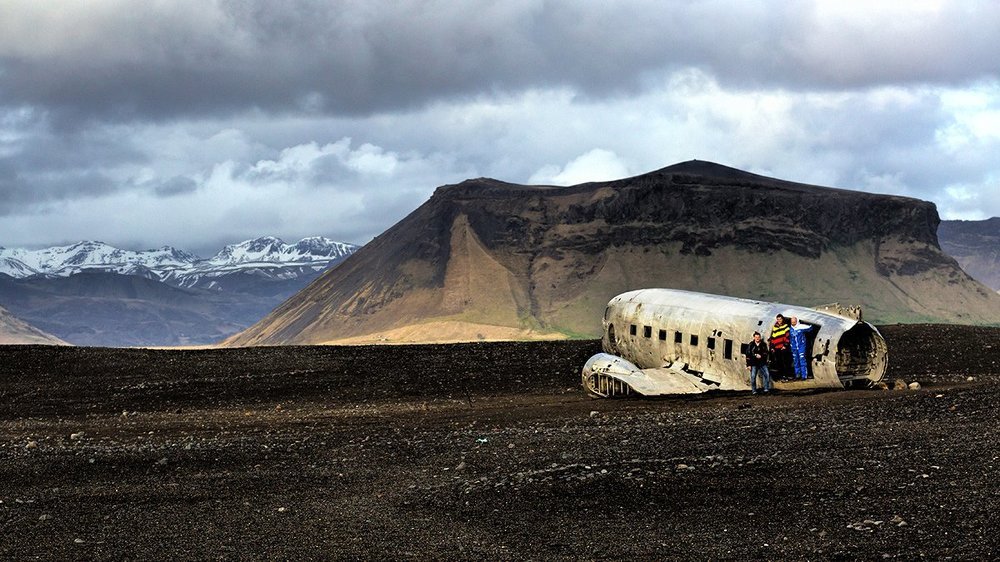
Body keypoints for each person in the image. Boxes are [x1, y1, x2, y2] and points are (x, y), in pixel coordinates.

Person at [768, 314, 792, 380]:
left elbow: (787, 336)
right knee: (779, 362)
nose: (779, 320)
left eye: (780, 319)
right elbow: (773, 338)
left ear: (782, 319)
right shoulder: (775, 327)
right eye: (778, 319)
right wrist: (772, 347)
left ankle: (786, 375)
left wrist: (785, 345)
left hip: (783, 347)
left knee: (785, 362)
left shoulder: (785, 326)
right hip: (777, 347)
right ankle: (781, 375)